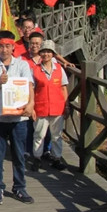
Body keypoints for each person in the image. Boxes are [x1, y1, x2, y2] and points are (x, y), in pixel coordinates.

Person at [0, 31, 35, 205]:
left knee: (19, 155)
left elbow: (29, 85)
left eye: (7, 46)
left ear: (13, 46)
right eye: (1, 46)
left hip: (19, 119)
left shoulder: (22, 64)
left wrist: (31, 104)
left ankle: (19, 187)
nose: (4, 49)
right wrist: (0, 80)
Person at [31, 40, 69, 172]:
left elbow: (63, 88)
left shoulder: (59, 69)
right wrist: (32, 107)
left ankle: (57, 158)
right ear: (40, 53)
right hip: (41, 107)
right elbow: (31, 89)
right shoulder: (35, 70)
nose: (46, 54)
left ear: (53, 54)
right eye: (44, 51)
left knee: (57, 136)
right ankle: (37, 158)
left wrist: (67, 106)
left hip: (57, 107)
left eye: (49, 52)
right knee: (39, 135)